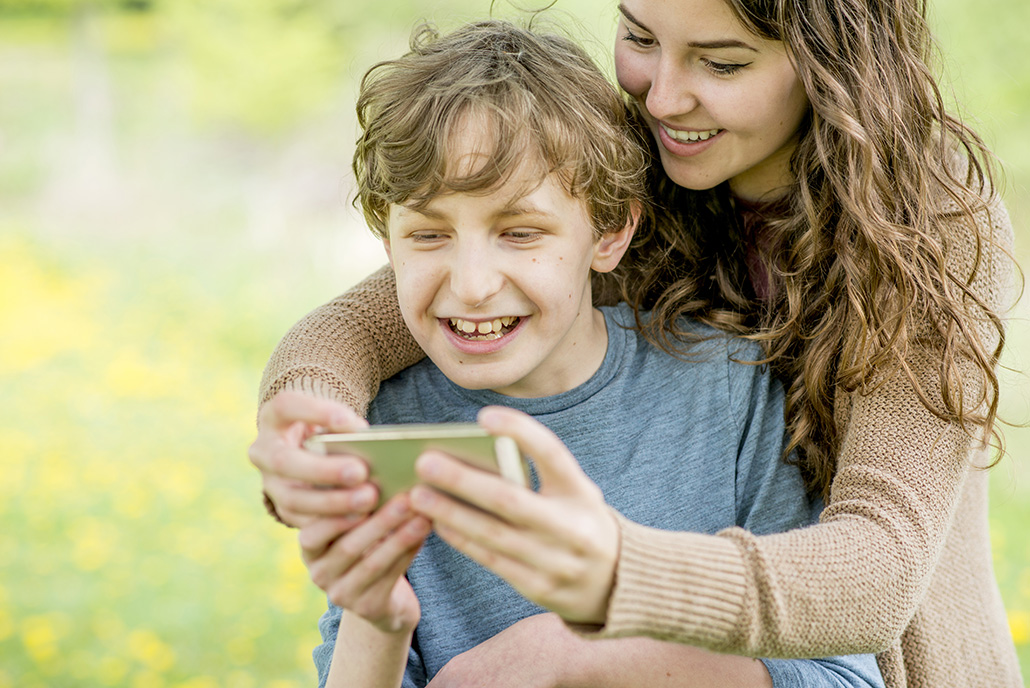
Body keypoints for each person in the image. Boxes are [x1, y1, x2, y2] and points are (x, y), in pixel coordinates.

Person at [249, 1, 1023, 687]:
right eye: (640, 37)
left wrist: (600, 610)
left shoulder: (930, 225)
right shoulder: (637, 165)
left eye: (722, 61)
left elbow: (881, 568)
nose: (662, 96)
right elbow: (368, 320)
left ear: (832, 61)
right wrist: (308, 426)